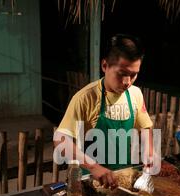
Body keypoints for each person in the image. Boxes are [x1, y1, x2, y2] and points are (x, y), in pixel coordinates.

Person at [54, 34, 155, 188]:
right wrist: (94, 167)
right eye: (121, 74)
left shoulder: (135, 94)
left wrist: (149, 151)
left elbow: (145, 127)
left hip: (124, 178)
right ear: (104, 66)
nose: (127, 82)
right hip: (91, 181)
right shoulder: (85, 98)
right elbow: (61, 140)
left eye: (133, 75)